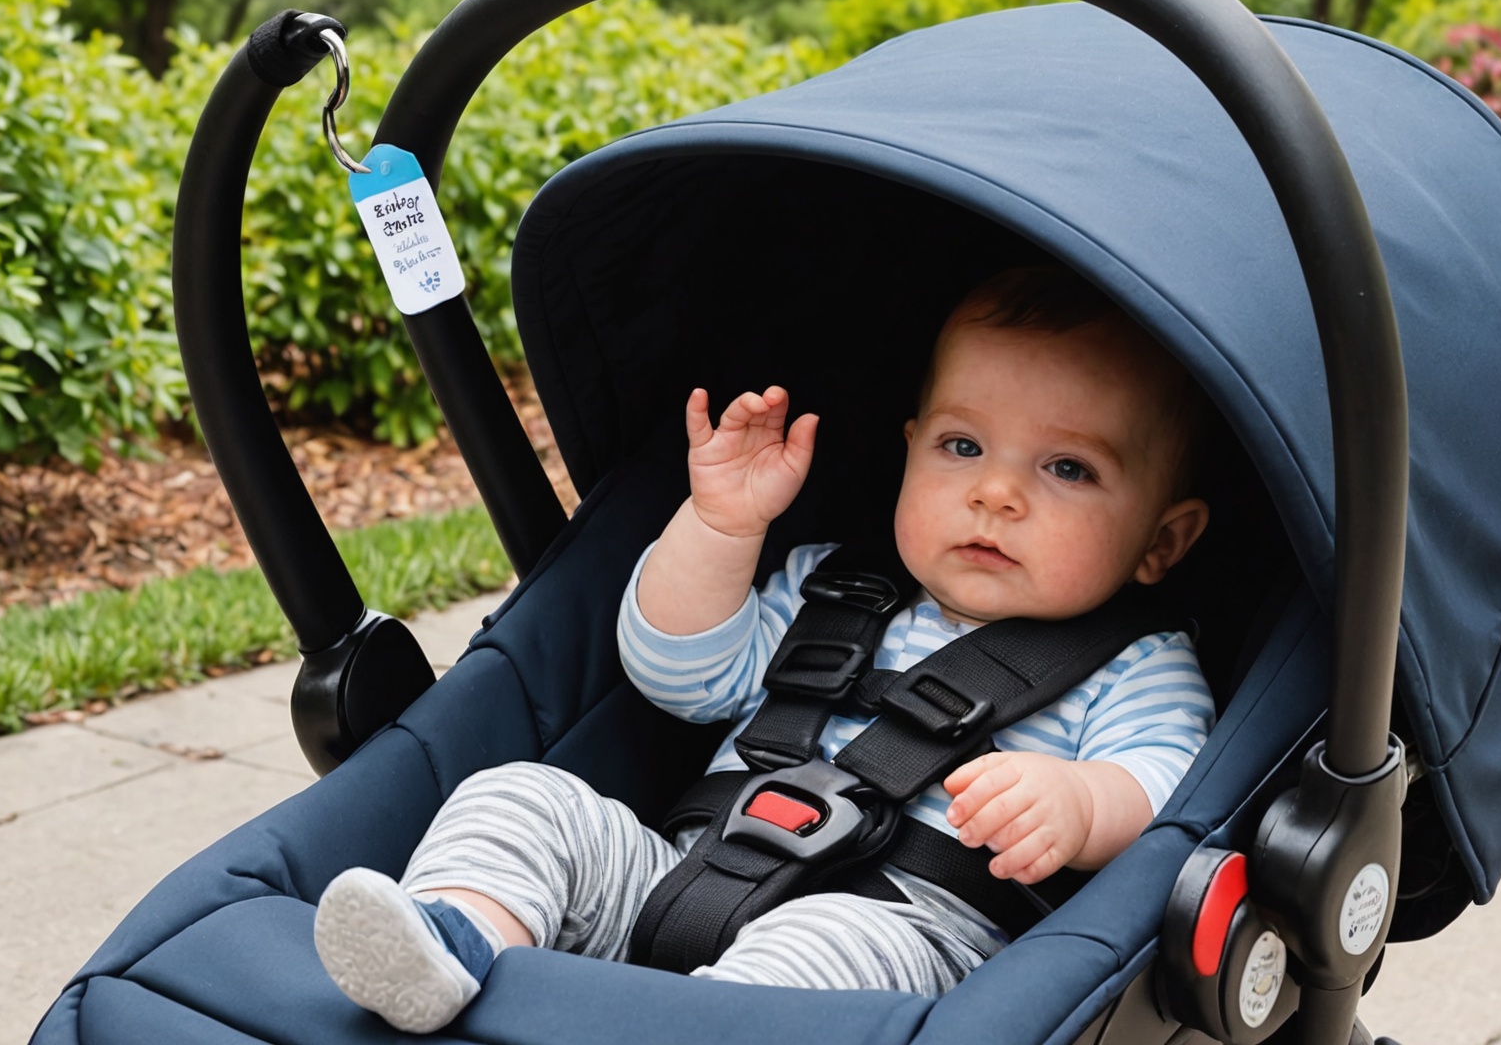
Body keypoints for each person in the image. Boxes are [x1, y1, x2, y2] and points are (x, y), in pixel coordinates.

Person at [312, 267, 1219, 1033]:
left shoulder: (1136, 662)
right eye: (962, 444)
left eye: (1068, 469)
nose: (995, 492)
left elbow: (1174, 789)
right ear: (909, 453)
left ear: (1162, 543)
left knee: (815, 948)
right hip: (683, 877)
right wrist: (720, 525)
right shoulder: (830, 588)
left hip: (903, 933)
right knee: (521, 796)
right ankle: (454, 941)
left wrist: (1081, 802)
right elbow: (681, 670)